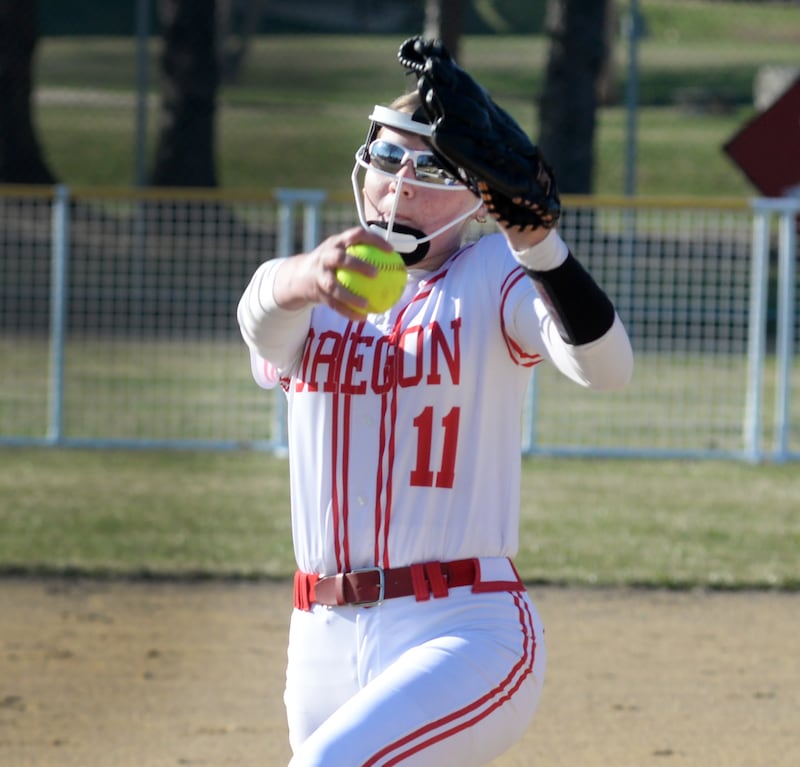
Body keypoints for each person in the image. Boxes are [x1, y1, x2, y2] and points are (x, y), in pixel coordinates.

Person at [238, 37, 633, 767]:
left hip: (464, 625)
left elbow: (606, 367)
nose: (401, 184)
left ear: (480, 194)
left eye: (431, 166)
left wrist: (541, 246)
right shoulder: (310, 291)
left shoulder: (493, 275)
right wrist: (307, 274)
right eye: (388, 159)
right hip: (318, 632)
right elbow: (259, 313)